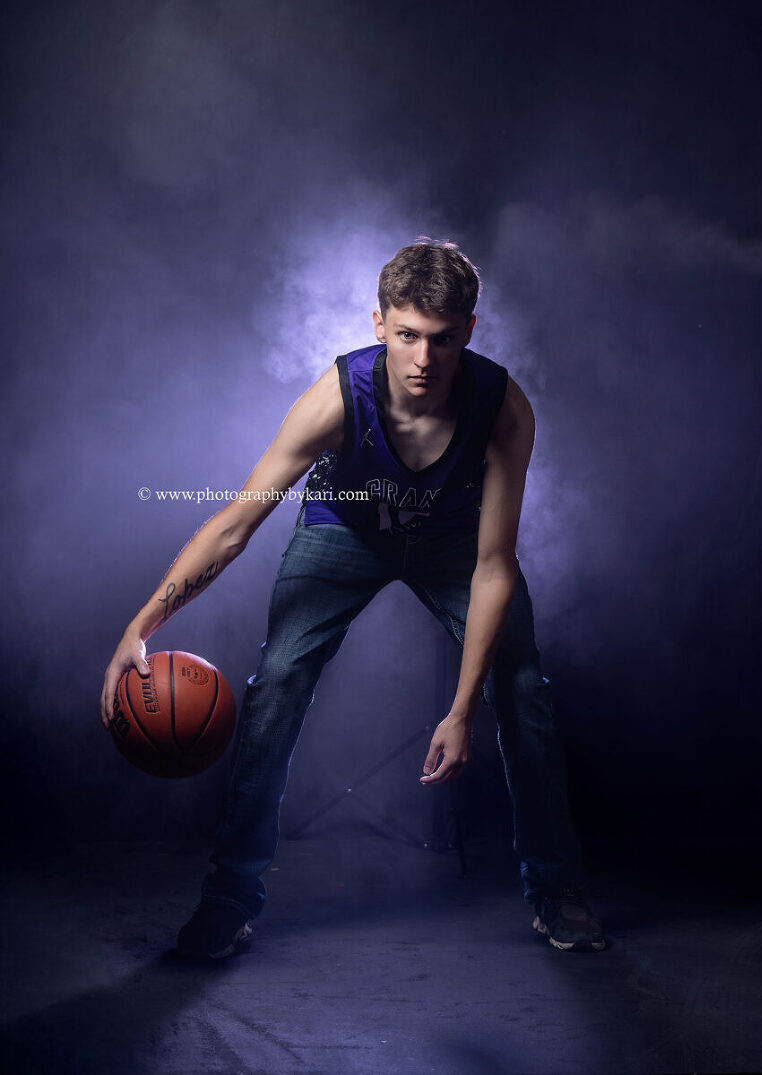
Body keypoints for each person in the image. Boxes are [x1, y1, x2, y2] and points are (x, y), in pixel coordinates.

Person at [101, 238, 605, 957]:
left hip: (455, 545)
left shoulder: (503, 410)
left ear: (467, 331)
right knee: (276, 681)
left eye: (441, 339)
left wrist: (462, 711)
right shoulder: (336, 399)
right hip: (347, 527)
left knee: (522, 690)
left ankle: (558, 893)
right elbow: (235, 523)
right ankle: (227, 899)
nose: (423, 358)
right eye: (407, 336)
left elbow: (494, 566)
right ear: (379, 325)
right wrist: (142, 624)